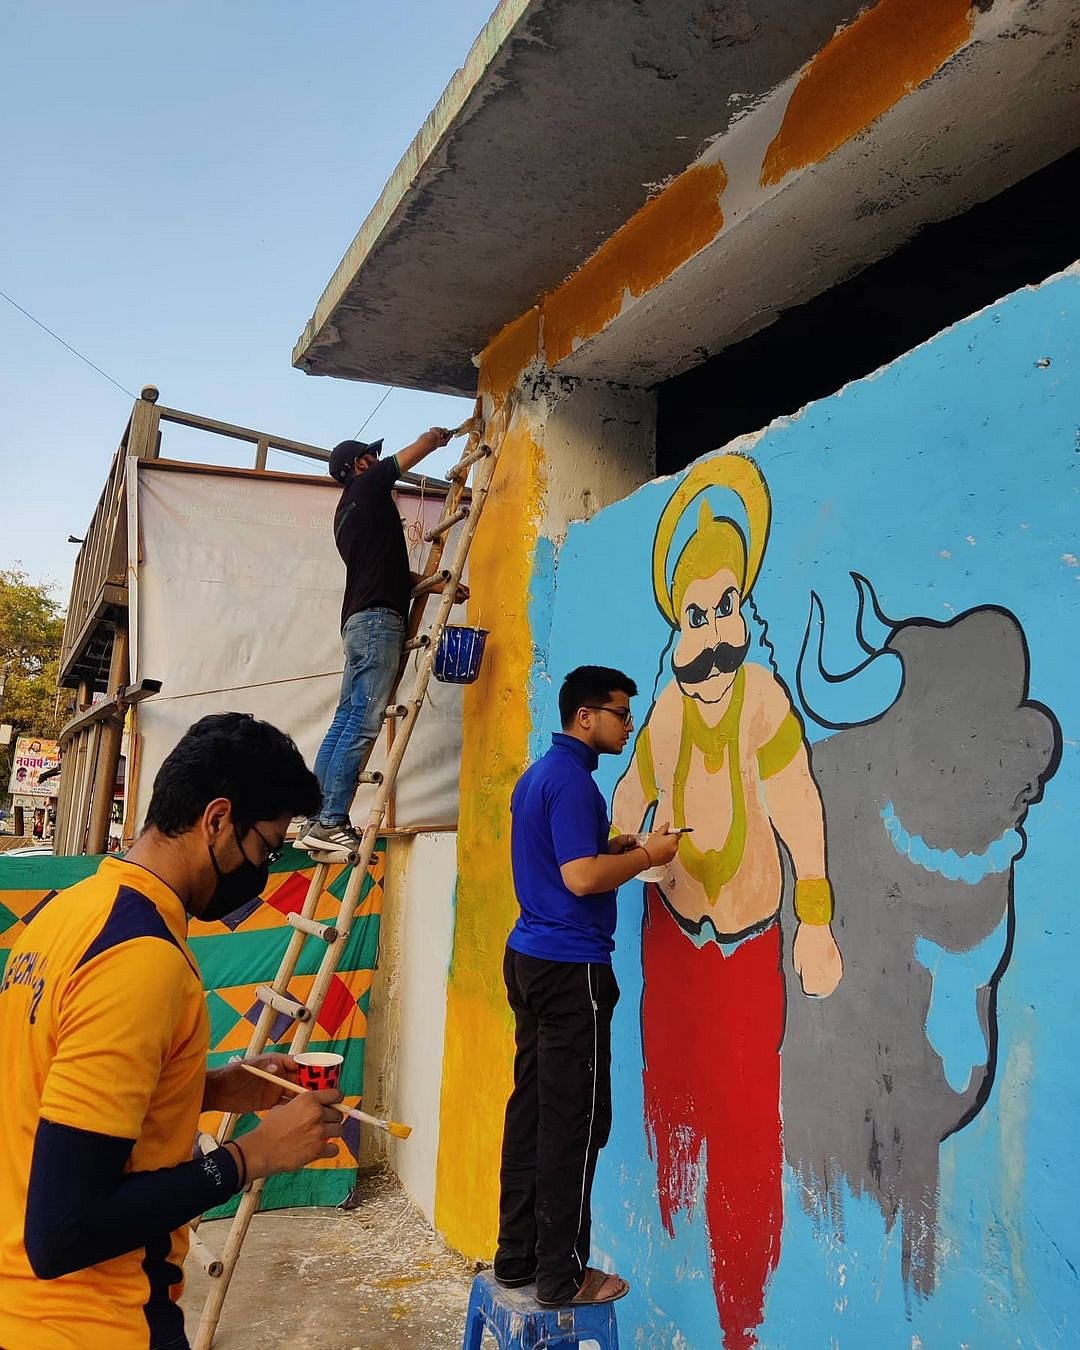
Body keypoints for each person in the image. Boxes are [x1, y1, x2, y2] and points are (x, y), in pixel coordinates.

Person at [0, 712, 343, 1350]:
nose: (263, 868)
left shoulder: (69, 915)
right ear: (217, 819)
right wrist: (251, 1156)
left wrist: (208, 1088)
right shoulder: (140, 959)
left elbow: (56, 1093)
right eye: (264, 847)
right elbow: (64, 1230)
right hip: (96, 1321)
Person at [611, 456, 842, 1348]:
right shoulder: (667, 709)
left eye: (728, 606)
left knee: (746, 1132)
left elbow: (800, 810)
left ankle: (739, 1319)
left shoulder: (762, 702)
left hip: (747, 951)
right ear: (677, 624)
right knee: (671, 1112)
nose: (715, 633)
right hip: (671, 942)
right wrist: (607, 859)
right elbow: (631, 794)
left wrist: (816, 921)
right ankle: (666, 1255)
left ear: (746, 606)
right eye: (696, 615)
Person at [494, 665, 679, 1308]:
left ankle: (516, 1259)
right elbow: (579, 878)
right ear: (585, 717)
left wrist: (618, 843)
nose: (629, 725)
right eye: (621, 714)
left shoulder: (542, 776)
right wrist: (648, 857)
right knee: (577, 1118)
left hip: (531, 958)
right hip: (572, 971)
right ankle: (563, 1275)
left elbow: (562, 854)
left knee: (533, 1110)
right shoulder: (574, 783)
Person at [298, 430, 468, 856]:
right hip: (377, 622)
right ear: (359, 465)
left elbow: (386, 569)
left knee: (345, 719)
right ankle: (334, 819)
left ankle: (314, 818)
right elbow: (410, 455)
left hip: (357, 621)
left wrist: (433, 583)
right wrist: (438, 437)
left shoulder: (346, 513)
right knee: (363, 720)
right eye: (370, 457)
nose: (377, 460)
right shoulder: (369, 484)